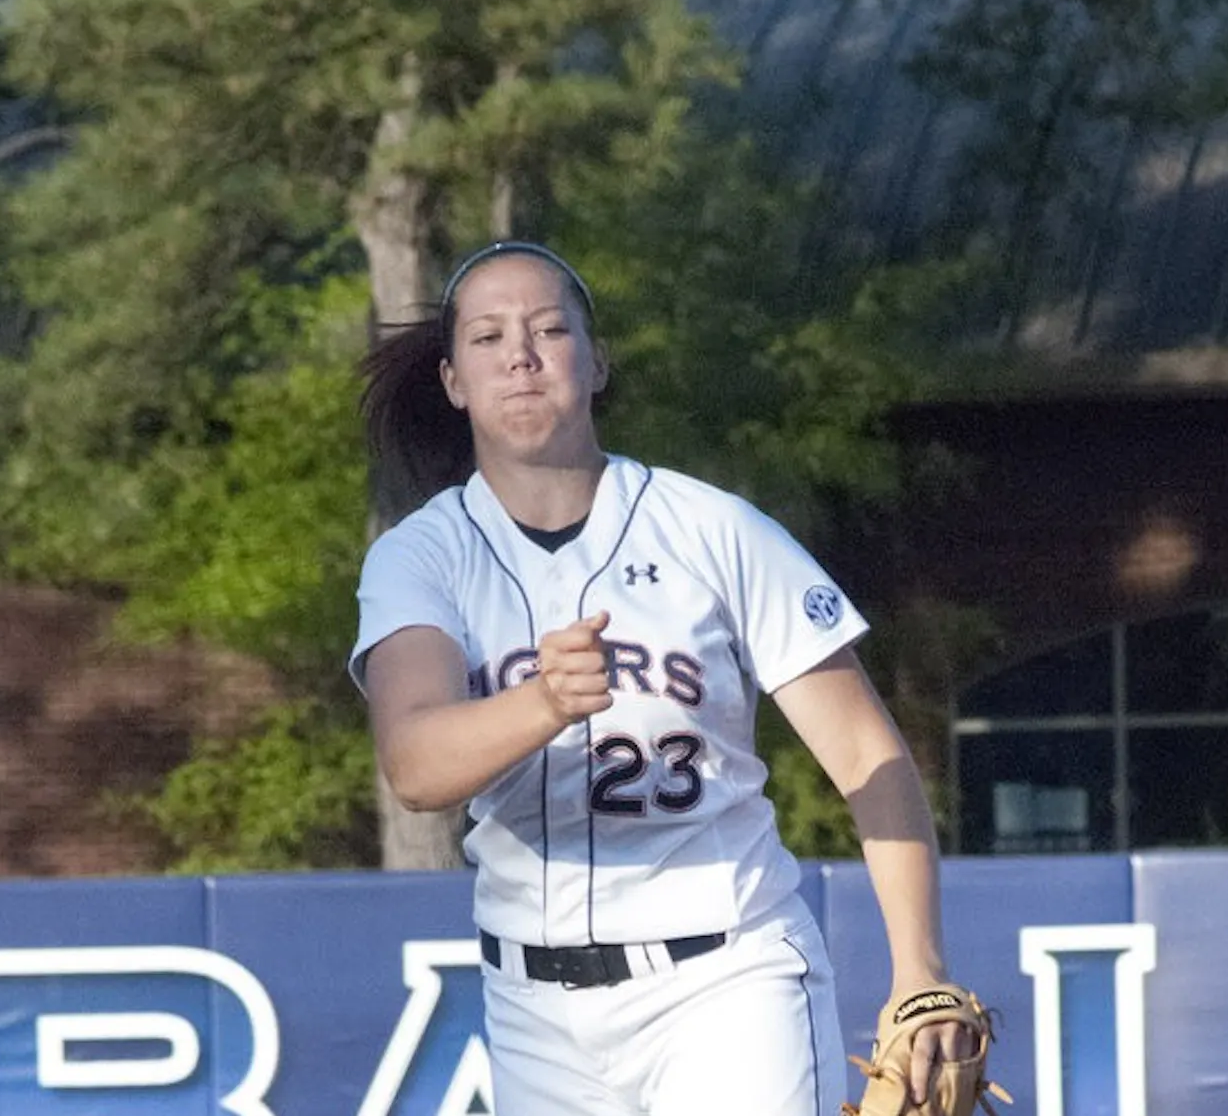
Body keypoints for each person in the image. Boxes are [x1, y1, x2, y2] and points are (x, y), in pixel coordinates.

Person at [349, 240, 978, 1116]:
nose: (521, 355)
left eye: (548, 329)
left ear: (596, 361)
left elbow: (868, 756)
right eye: (488, 337)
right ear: (454, 380)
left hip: (729, 976)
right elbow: (415, 768)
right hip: (536, 1013)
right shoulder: (422, 555)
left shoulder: (713, 529)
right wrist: (543, 700)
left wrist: (921, 969)